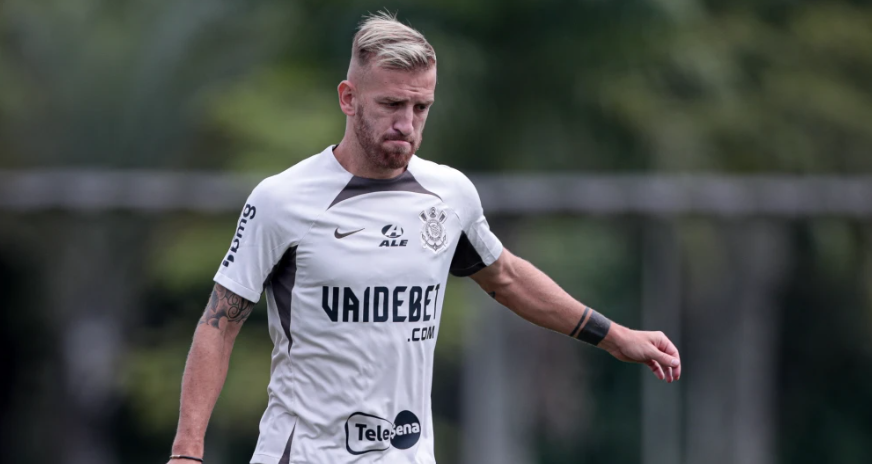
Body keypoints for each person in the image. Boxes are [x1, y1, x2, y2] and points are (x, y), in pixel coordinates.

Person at [166, 11, 681, 464]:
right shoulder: (283, 200)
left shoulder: (449, 195)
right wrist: (187, 452)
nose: (407, 124)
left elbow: (506, 277)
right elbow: (219, 325)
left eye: (421, 108)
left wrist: (616, 337)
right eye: (391, 105)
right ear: (348, 98)